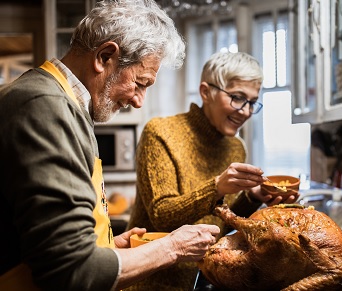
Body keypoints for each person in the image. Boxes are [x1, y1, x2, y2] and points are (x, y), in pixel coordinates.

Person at [0, 1, 220, 290]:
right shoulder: (45, 107)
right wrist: (172, 248)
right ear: (104, 56)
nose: (138, 100)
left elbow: (46, 238)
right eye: (140, 83)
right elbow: (71, 269)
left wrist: (106, 245)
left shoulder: (67, 105)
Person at [126, 51, 298, 290]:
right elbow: (162, 216)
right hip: (154, 280)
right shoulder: (160, 132)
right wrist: (216, 187)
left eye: (252, 102)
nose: (246, 111)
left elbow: (221, 224)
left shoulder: (236, 147)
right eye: (237, 98)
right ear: (206, 92)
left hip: (208, 277)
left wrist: (253, 198)